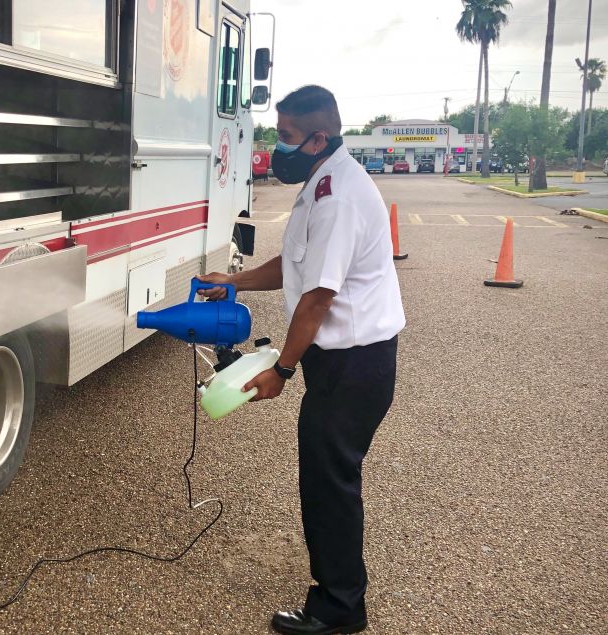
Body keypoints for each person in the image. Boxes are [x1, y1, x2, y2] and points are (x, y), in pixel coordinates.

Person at [197, 85, 405, 635]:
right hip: (347, 364)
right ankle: (339, 590)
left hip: (353, 366)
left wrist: (281, 370)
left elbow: (317, 297)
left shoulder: (337, 197)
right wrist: (234, 282)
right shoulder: (323, 181)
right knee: (327, 477)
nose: (276, 147)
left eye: (285, 137)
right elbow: (295, 266)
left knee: (329, 482)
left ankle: (339, 608)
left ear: (318, 138)